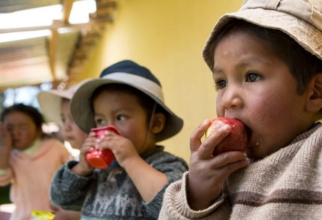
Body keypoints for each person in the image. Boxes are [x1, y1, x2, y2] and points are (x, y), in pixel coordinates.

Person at [159, 0, 322, 219]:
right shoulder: (224, 172)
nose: (228, 99)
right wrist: (199, 195)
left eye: (251, 76)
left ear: (315, 92)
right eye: (221, 82)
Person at [50, 60, 188, 219]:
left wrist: (130, 160)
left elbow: (174, 209)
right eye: (100, 121)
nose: (108, 130)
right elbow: (62, 198)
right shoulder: (98, 170)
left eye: (120, 117)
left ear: (155, 123)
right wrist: (82, 168)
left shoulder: (166, 165)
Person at [0, 104, 70, 220]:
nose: (16, 133)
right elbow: (2, 179)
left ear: (38, 130)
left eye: (23, 127)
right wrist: (5, 147)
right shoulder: (9, 156)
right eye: (10, 128)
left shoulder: (55, 148)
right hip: (23, 216)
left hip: (56, 216)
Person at [38, 82, 90, 219]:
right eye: (63, 119)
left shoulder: (104, 165)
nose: (65, 127)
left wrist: (68, 213)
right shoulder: (76, 160)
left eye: (74, 119)